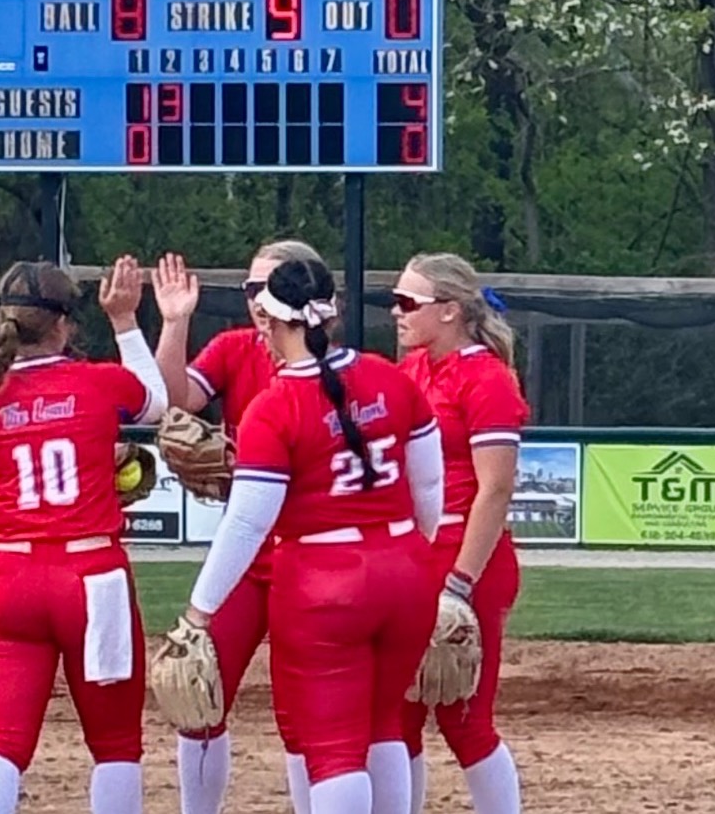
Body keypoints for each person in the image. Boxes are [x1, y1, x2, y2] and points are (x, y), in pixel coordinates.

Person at [176, 257, 447, 814]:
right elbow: (430, 487)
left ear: (270, 323)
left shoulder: (275, 406)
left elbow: (249, 521)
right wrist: (410, 551)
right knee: (384, 726)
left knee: (333, 750)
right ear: (333, 313)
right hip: (405, 569)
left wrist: (199, 611)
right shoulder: (391, 377)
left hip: (324, 584)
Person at [0, 257, 168, 814]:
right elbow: (157, 402)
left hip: (10, 576)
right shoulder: (95, 382)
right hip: (92, 576)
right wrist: (124, 322)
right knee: (116, 744)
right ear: (65, 325)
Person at [151, 240, 325, 814]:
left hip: (310, 563)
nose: (255, 299)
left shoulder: (332, 366)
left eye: (267, 287)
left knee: (307, 720)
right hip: (246, 563)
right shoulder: (235, 349)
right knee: (198, 695)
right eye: (250, 288)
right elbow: (173, 401)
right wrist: (175, 323)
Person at [392, 252, 529, 814]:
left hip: (467, 563)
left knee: (464, 718)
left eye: (408, 303)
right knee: (395, 719)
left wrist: (460, 584)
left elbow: (495, 489)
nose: (396, 313)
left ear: (449, 311)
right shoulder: (411, 371)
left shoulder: (486, 379)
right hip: (412, 560)